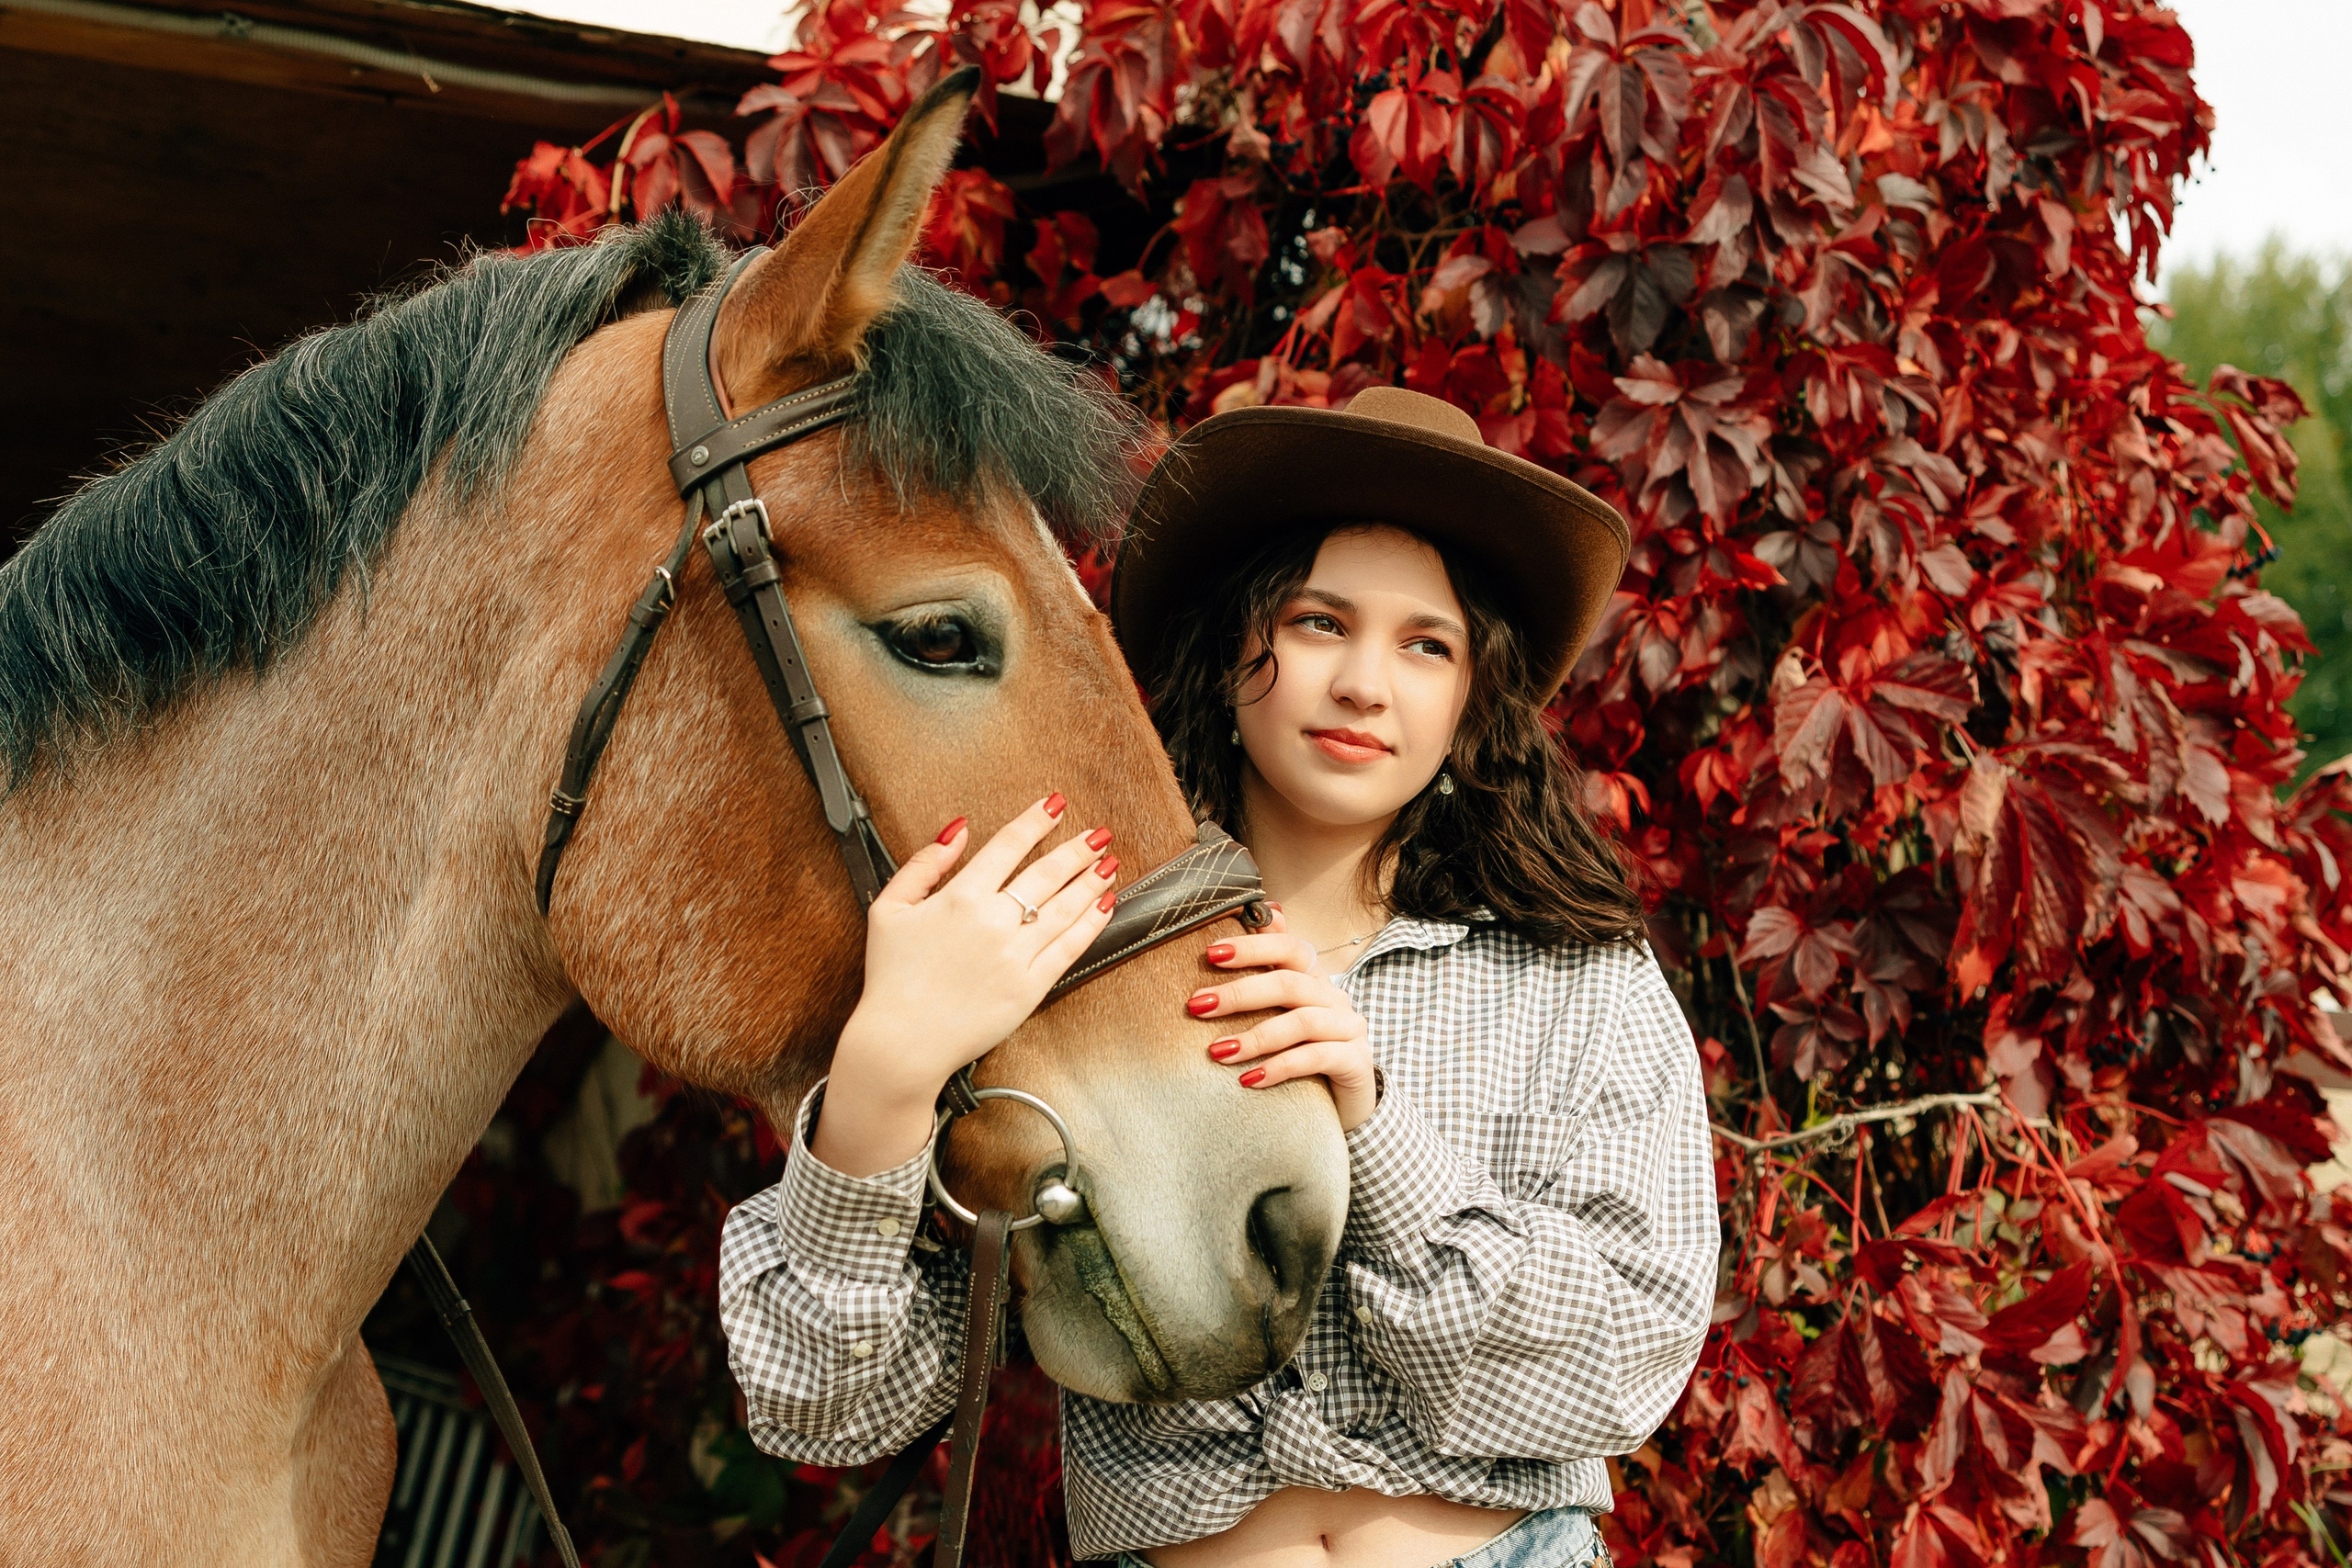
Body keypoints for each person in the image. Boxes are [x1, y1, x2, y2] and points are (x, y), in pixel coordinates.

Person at [718, 386, 1720, 1567]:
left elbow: (1621, 1373)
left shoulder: (1576, 981)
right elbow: (825, 1409)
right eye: (1317, 622)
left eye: (1426, 645)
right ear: (1233, 645)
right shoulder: (1050, 960)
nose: (1364, 684)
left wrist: (1378, 1136)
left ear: (1470, 702)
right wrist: (883, 1080)